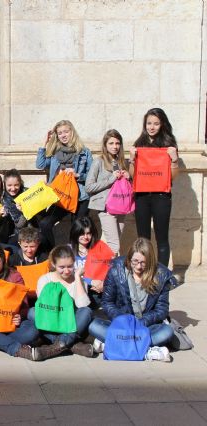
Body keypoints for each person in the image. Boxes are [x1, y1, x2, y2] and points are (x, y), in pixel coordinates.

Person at [88, 238, 175, 362]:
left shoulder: (161, 275)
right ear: (129, 258)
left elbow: (162, 310)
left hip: (144, 326)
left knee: (166, 332)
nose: (139, 266)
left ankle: (113, 344)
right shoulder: (115, 270)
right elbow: (107, 303)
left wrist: (141, 322)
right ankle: (146, 351)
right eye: (135, 261)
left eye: (143, 263)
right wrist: (123, 320)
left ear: (150, 261)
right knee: (94, 326)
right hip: (122, 325)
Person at [129, 108, 180, 267]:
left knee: (161, 237)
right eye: (149, 123)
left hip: (161, 196)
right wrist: (131, 159)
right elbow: (133, 175)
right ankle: (144, 272)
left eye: (156, 123)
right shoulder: (139, 144)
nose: (152, 127)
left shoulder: (168, 145)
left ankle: (163, 274)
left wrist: (174, 160)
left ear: (162, 124)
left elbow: (172, 177)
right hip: (142, 196)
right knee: (143, 238)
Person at [28, 245, 93, 360]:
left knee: (87, 311)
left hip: (71, 322)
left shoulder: (79, 280)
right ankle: (71, 345)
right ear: (54, 264)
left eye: (70, 266)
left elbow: (82, 305)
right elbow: (44, 307)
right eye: (61, 267)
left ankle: (54, 348)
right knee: (32, 312)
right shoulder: (45, 279)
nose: (67, 271)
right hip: (51, 318)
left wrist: (77, 277)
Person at [36, 120, 92, 250]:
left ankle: (76, 259)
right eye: (60, 133)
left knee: (77, 229)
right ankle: (53, 253)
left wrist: (78, 175)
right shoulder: (54, 152)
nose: (63, 135)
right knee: (45, 223)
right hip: (60, 195)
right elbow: (40, 165)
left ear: (72, 132)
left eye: (66, 131)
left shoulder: (84, 152)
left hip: (80, 196)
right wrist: (44, 143)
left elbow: (92, 175)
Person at [69, 217, 104, 305]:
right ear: (75, 233)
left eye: (88, 233)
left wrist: (103, 283)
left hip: (94, 293)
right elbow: (65, 274)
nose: (85, 237)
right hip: (74, 292)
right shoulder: (68, 250)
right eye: (82, 234)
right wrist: (90, 281)